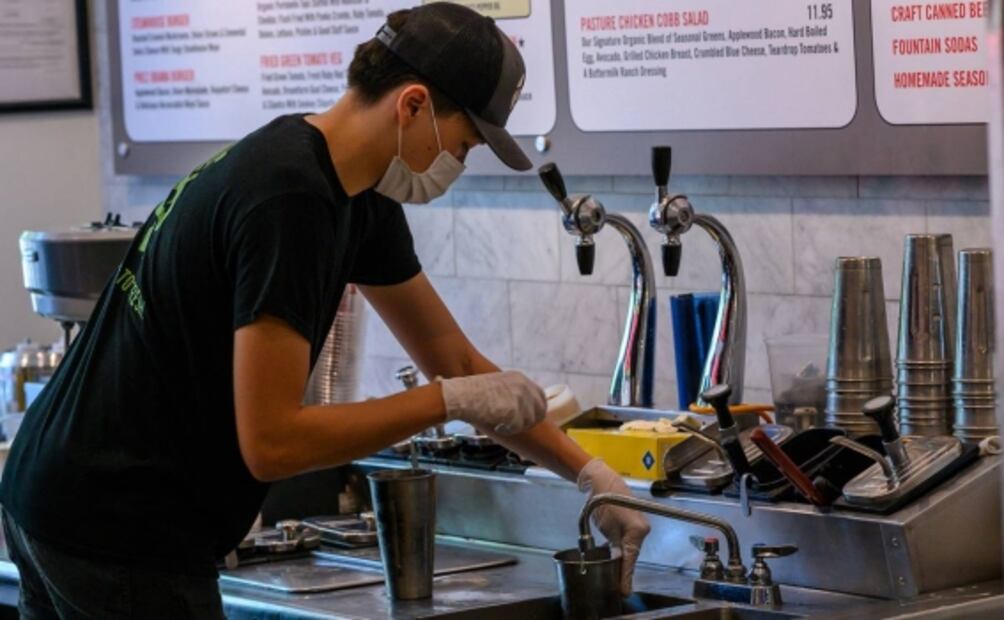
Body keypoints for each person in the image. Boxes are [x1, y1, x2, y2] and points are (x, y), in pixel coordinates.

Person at [0, 4, 648, 618]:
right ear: (413, 105)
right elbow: (273, 443)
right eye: (466, 143)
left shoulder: (355, 192)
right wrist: (447, 402)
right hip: (115, 525)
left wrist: (593, 478)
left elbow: (452, 361)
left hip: (59, 495)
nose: (459, 162)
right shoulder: (289, 199)